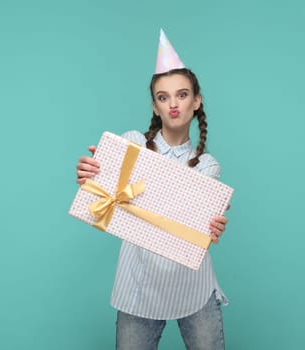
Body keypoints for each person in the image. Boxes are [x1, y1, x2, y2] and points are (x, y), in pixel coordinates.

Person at [75, 29, 229, 350]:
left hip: (193, 286)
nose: (173, 103)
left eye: (182, 95)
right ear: (155, 106)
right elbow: (102, 191)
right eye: (163, 97)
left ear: (196, 101)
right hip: (139, 288)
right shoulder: (131, 144)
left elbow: (190, 221)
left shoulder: (207, 166)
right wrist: (93, 176)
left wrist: (210, 225)